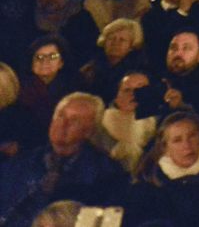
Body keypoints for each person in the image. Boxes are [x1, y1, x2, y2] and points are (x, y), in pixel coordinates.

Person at [0, 93, 124, 226]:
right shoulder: (20, 163)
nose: (63, 124)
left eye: (74, 120)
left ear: (90, 131)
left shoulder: (106, 174)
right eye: (60, 116)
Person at [127, 111, 199, 227]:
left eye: (192, 136)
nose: (187, 145)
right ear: (165, 147)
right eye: (177, 140)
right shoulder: (150, 185)